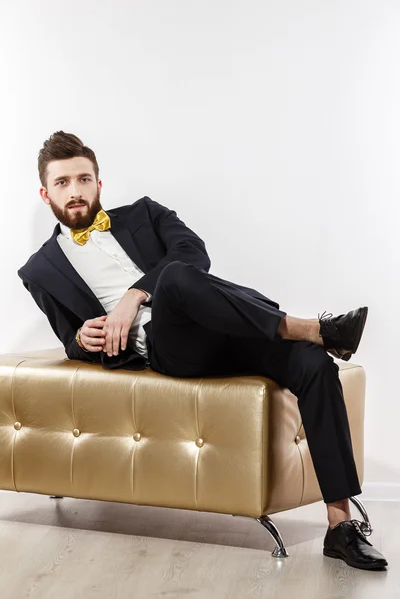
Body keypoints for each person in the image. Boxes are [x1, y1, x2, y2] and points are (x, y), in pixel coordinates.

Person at [18, 131, 388, 571]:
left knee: (313, 365)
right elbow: (69, 340)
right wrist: (83, 340)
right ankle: (313, 327)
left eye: (84, 179)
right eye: (63, 183)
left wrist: (132, 296)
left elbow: (196, 255)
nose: (75, 191)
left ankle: (339, 526)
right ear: (46, 193)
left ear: (100, 184)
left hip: (226, 327)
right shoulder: (39, 270)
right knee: (172, 278)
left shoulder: (145, 213)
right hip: (168, 349)